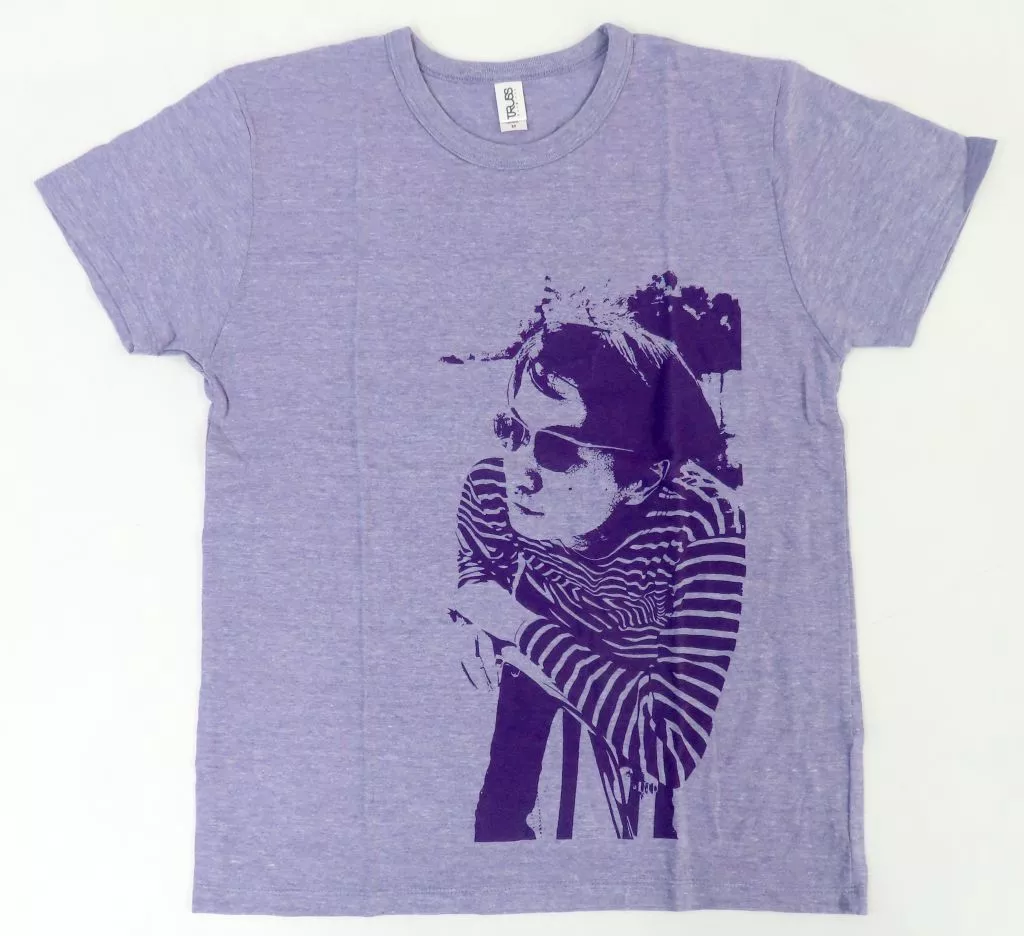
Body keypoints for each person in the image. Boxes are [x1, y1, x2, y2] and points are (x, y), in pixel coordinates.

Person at [448, 292, 747, 842]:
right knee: (499, 813)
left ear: (642, 479)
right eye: (513, 431)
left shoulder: (703, 525)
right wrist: (472, 607)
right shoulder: (491, 487)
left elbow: (669, 747)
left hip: (639, 666)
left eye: (558, 451)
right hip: (541, 639)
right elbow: (480, 560)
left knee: (664, 831)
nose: (519, 473)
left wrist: (512, 623)